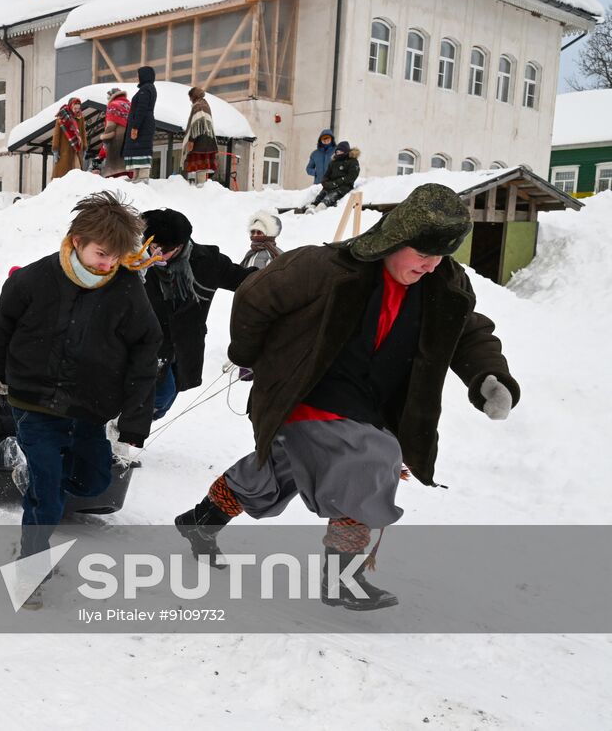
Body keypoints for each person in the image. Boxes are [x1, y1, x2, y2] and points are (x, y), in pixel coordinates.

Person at [175, 184, 519, 610]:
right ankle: (342, 578)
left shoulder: (445, 284)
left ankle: (200, 521)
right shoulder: (327, 266)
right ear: (396, 238)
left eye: (440, 256)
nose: (430, 265)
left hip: (370, 399)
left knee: (280, 469)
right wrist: (249, 353)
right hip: (308, 386)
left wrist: (488, 377)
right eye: (422, 253)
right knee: (370, 459)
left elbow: (468, 332)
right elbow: (254, 295)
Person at [0, 193, 161, 571]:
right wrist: (1, 372)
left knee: (94, 481)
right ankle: (31, 562)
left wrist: (134, 418)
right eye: (101, 253)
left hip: (89, 407)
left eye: (115, 255)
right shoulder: (36, 278)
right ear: (77, 242)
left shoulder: (126, 288)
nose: (109, 263)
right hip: (33, 402)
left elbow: (146, 352)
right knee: (47, 493)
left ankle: (35, 476)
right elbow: (1, 326)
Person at [138, 209, 253, 419]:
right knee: (155, 395)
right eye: (153, 247)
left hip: (183, 344)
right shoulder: (134, 261)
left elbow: (245, 280)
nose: (157, 255)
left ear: (181, 245)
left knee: (164, 399)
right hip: (143, 343)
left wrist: (281, 276)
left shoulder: (208, 262)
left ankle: (123, 428)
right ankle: (118, 432)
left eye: (165, 250)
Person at [123, 66, 157, 179]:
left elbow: (141, 109)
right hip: (146, 124)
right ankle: (137, 178)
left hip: (142, 125)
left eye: (138, 75)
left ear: (144, 75)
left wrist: (135, 127)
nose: (137, 77)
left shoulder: (145, 89)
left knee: (141, 150)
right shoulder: (149, 88)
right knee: (140, 150)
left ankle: (142, 179)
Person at [309, 141, 362, 210]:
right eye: (337, 151)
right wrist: (325, 182)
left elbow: (351, 177)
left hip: (343, 187)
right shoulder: (333, 162)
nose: (338, 153)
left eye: (341, 151)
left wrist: (336, 183)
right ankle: (312, 206)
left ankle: (320, 208)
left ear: (346, 151)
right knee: (321, 195)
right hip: (331, 185)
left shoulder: (352, 162)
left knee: (330, 197)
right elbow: (327, 175)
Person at [183, 86, 218, 186]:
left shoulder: (198, 106)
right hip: (208, 139)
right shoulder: (205, 104)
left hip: (200, 140)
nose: (190, 100)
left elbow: (196, 125)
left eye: (190, 97)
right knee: (202, 165)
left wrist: (191, 140)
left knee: (200, 165)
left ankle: (200, 187)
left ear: (194, 96)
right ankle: (201, 185)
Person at [96, 87, 132, 178]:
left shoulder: (113, 105)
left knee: (115, 172)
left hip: (117, 140)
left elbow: (110, 126)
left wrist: (105, 138)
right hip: (130, 141)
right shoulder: (130, 105)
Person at [51, 98, 86, 180]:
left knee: (77, 173)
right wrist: (55, 149)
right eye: (75, 108)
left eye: (78, 108)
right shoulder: (62, 117)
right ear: (70, 106)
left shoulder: (80, 117)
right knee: (63, 176)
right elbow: (56, 134)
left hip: (77, 149)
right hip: (64, 151)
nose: (77, 111)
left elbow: (83, 133)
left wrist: (84, 147)